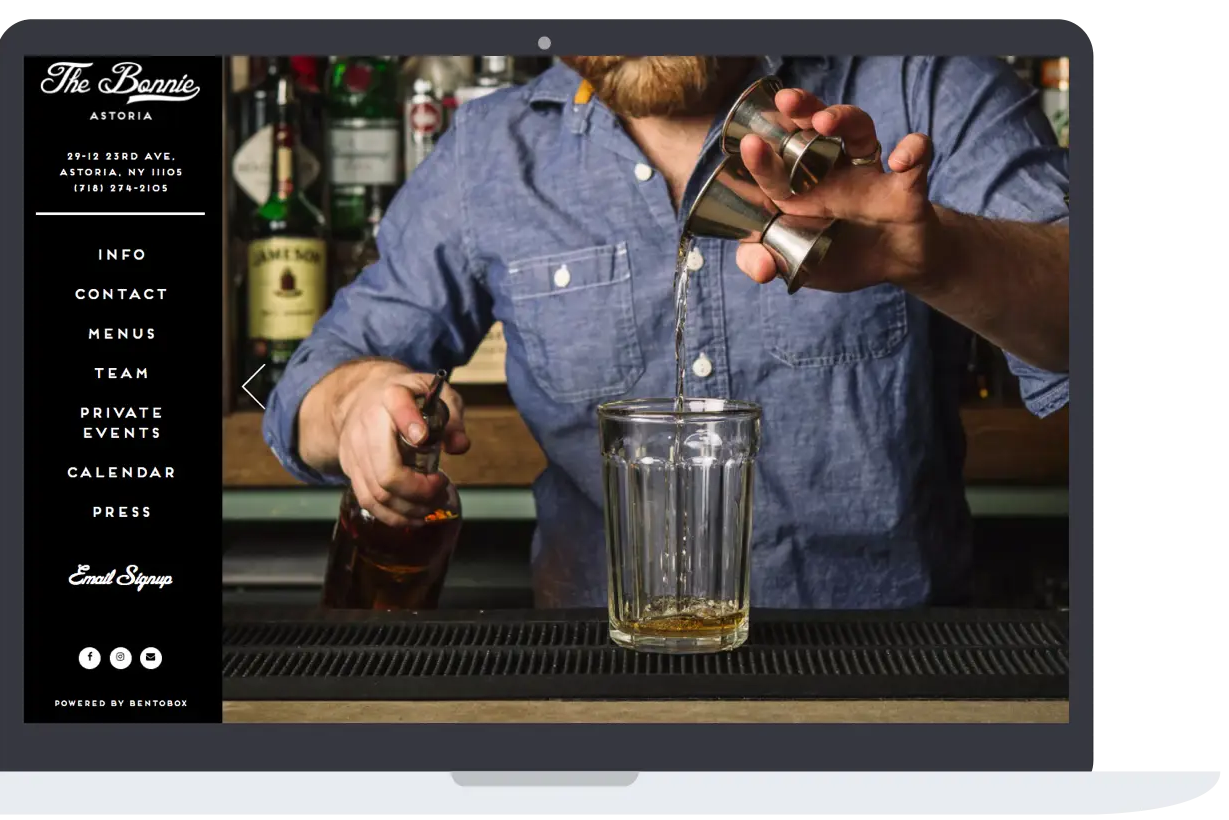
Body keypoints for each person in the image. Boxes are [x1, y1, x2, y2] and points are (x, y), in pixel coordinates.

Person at [261, 55, 1069, 610]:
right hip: (597, 687)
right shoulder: (490, 155)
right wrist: (359, 402)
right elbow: (306, 387)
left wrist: (943, 255)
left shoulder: (925, 82)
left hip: (891, 678)